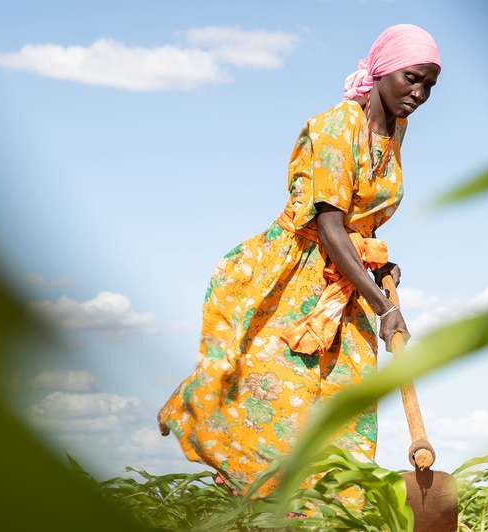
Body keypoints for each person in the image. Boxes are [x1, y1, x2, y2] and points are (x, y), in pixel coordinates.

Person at [157, 24, 442, 500]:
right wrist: (384, 306)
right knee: (274, 395)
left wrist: (378, 266)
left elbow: (360, 218)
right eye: (411, 78)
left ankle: (327, 512)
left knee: (342, 404)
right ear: (382, 71)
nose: (419, 92)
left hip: (344, 283)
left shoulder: (396, 129)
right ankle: (211, 430)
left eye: (429, 84)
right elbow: (330, 226)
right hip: (291, 277)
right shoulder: (334, 126)